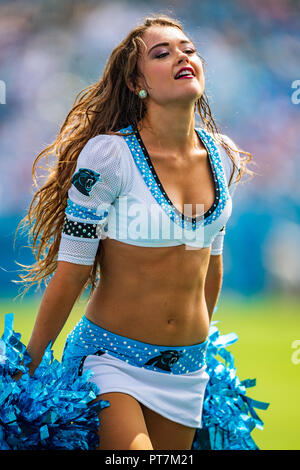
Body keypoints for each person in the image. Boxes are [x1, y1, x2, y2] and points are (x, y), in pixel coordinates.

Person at [10, 15, 256, 450]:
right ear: (136, 83)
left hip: (187, 370)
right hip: (112, 362)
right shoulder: (109, 157)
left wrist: (197, 339)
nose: (182, 56)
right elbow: (72, 271)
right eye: (162, 54)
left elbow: (208, 264)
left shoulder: (223, 155)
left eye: (188, 49)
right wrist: (25, 369)